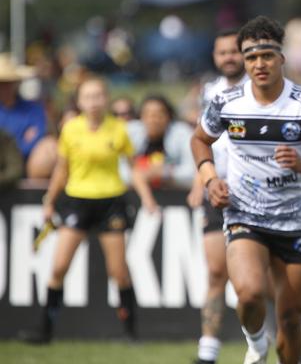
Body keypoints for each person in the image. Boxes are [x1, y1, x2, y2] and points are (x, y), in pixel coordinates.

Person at [191, 16, 301, 364]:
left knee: (291, 320)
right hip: (244, 214)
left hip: (294, 221)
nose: (258, 64)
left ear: (282, 57)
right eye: (250, 57)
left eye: (266, 55)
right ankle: (257, 343)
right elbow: (200, 140)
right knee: (249, 295)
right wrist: (210, 179)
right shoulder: (227, 101)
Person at [22, 76, 158, 344]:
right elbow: (62, 169)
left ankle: (131, 333)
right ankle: (46, 330)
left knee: (118, 271)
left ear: (106, 99)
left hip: (111, 202)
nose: (94, 102)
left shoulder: (118, 129)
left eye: (98, 96)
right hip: (77, 200)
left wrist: (147, 198)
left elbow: (133, 168)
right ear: (80, 101)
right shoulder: (71, 129)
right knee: (59, 267)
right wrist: (50, 200)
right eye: (88, 97)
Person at [186, 28, 248, 364]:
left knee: (257, 280)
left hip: (254, 193)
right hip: (216, 189)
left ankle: (298, 335)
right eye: (222, 52)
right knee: (215, 271)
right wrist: (203, 179)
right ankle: (207, 351)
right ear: (214, 56)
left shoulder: (259, 90)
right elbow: (201, 138)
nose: (228, 58)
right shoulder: (209, 92)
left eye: (234, 52)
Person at [126, 94, 195, 189]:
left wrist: (165, 173)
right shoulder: (130, 132)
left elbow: (192, 171)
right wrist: (141, 175)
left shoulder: (182, 133)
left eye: (159, 115)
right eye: (148, 115)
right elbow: (119, 171)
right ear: (140, 117)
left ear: (169, 116)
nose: (153, 120)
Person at [0, 53, 48, 164]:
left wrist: (14, 153)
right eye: (1, 84)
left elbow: (37, 136)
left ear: (16, 83)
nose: (4, 88)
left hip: (26, 163)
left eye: (8, 83)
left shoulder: (34, 109)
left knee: (48, 148)